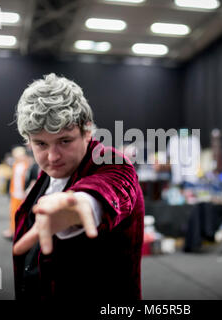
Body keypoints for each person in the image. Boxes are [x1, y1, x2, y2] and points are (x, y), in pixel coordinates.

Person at [11, 73, 144, 300]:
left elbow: (113, 187)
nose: (53, 157)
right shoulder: (48, 175)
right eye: (41, 143)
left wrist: (84, 202)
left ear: (87, 131)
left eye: (65, 141)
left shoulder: (112, 162)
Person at [2, 146, 30, 239]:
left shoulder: (27, 166)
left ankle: (20, 232)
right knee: (13, 212)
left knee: (23, 214)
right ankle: (12, 230)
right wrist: (11, 191)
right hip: (15, 193)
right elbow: (14, 180)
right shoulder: (16, 165)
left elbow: (28, 180)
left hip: (23, 194)